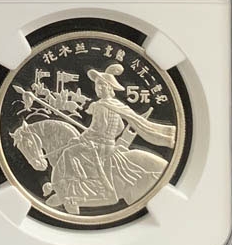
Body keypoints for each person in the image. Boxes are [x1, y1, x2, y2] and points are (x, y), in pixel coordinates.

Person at [44, 63, 176, 214]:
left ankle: (77, 188)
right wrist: (108, 136)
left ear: (109, 88)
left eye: (102, 85)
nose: (98, 88)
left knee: (69, 152)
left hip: (98, 146)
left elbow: (96, 128)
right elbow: (119, 127)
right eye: (97, 85)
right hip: (110, 145)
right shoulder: (116, 105)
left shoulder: (100, 106)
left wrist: (81, 138)